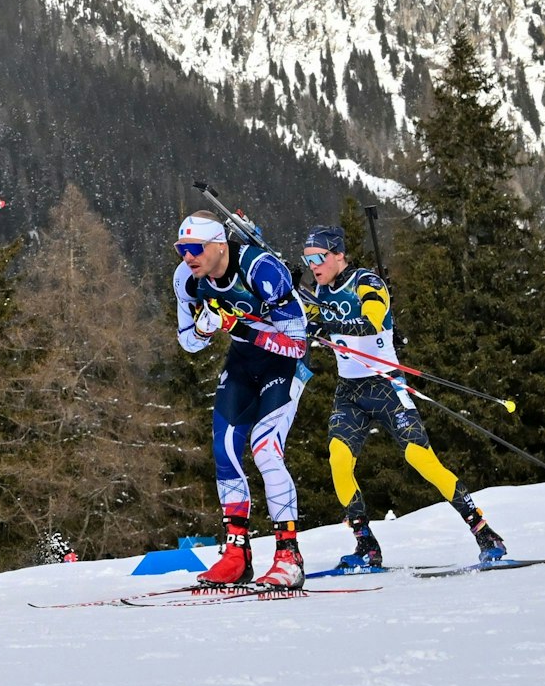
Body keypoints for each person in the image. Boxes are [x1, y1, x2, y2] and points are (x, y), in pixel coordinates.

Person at [299, 225, 506, 568]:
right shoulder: (318, 292)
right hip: (350, 391)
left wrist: (329, 327)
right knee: (338, 460)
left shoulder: (366, 281)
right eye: (308, 260)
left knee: (421, 459)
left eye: (319, 257)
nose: (314, 266)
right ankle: (365, 544)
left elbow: (373, 321)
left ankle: (484, 532)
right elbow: (305, 321)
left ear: (338, 254)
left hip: (385, 385)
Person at [172, 211, 311, 588]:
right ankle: (237, 554)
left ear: (219, 245)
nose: (187, 257)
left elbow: (297, 344)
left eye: (195, 248)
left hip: (283, 363)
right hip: (242, 362)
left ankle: (288, 555)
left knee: (265, 449)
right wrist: (202, 329)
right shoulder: (187, 279)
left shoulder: (262, 270)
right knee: (224, 450)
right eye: (181, 249)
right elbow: (188, 342)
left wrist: (236, 326)